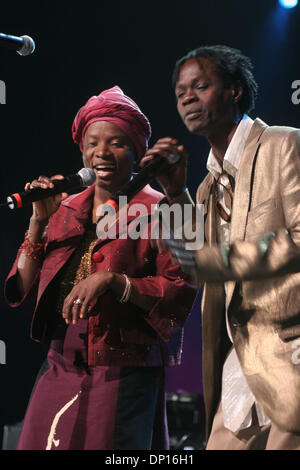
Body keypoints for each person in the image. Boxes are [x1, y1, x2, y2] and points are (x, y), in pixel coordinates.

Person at [4, 86, 196, 450]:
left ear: (136, 151)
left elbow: (181, 287)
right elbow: (21, 288)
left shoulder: (159, 208)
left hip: (123, 369)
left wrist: (114, 282)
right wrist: (37, 223)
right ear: (82, 149)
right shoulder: (66, 207)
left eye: (116, 143)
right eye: (93, 143)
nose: (102, 153)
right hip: (60, 362)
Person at [142, 45, 300, 450]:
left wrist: (213, 259)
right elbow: (194, 264)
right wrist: (176, 192)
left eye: (201, 85)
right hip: (243, 361)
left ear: (234, 91)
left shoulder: (284, 144)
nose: (188, 98)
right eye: (181, 92)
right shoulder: (208, 186)